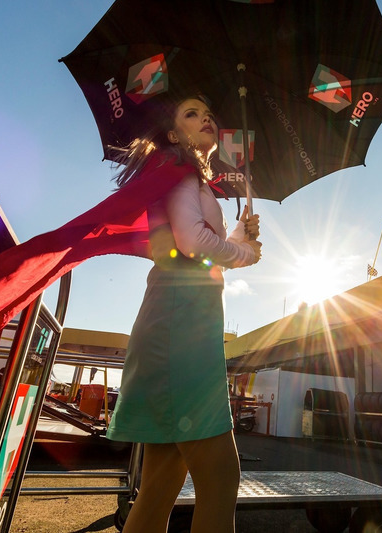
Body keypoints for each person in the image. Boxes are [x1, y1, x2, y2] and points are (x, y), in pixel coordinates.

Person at [105, 94, 262, 533]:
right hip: (180, 325)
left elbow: (198, 241)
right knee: (219, 476)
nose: (206, 117)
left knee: (160, 482)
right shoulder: (179, 169)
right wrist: (244, 254)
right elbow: (192, 244)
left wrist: (237, 235)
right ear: (174, 134)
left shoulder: (193, 181)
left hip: (180, 320)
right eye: (192, 114)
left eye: (209, 112)